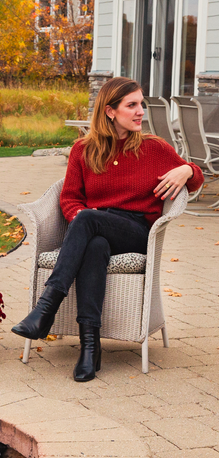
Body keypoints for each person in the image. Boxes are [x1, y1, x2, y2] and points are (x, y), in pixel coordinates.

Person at [11, 77, 204, 381]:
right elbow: (70, 199)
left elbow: (197, 178)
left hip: (136, 231)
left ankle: (46, 308)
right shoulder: (83, 150)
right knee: (95, 244)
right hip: (96, 228)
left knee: (89, 219)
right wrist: (82, 220)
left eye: (141, 104)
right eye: (132, 105)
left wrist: (185, 169)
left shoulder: (154, 148)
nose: (140, 111)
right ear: (110, 111)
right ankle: (90, 348)